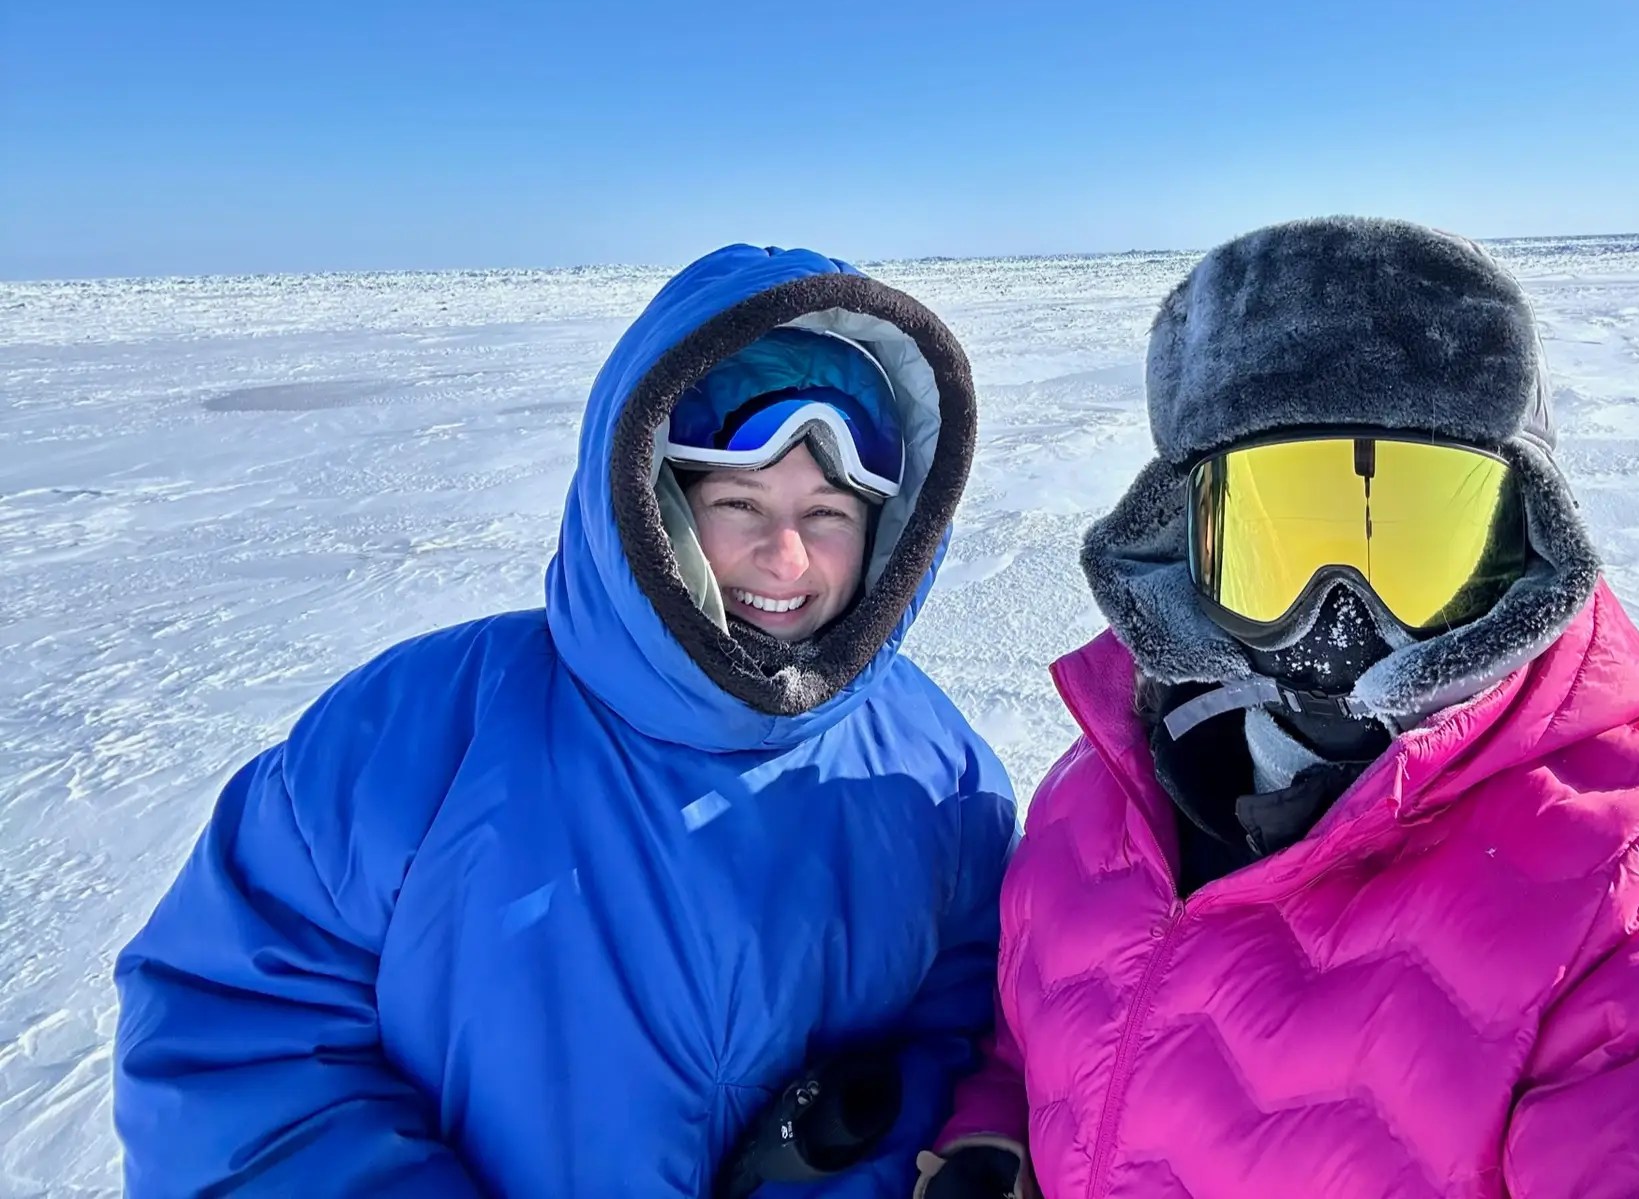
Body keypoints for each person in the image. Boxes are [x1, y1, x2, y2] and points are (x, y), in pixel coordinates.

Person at [920, 217, 1639, 1198]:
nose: (1340, 611)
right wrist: (992, 1137)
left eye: (1410, 540)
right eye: (1278, 539)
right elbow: (1037, 1030)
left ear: (1518, 541)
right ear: (1188, 541)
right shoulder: (1101, 788)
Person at [112, 245, 1016, 1197]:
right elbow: (229, 1036)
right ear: (650, 504)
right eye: (737, 502)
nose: (784, 557)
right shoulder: (415, 731)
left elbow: (968, 1035)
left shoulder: (936, 775)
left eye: (828, 512)